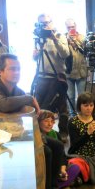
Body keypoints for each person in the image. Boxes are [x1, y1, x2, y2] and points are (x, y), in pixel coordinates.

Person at [32, 13, 70, 142]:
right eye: (42, 23)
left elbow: (65, 53)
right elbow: (37, 59)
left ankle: (63, 132)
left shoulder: (60, 36)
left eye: (47, 22)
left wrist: (53, 38)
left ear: (52, 22)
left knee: (62, 107)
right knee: (41, 106)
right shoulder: (38, 39)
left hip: (57, 77)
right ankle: (42, 133)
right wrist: (35, 55)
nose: (45, 26)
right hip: (42, 77)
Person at [37, 110, 76, 189]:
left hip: (56, 171)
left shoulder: (56, 134)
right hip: (45, 174)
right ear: (38, 121)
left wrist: (62, 169)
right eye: (46, 121)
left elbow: (63, 156)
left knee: (75, 167)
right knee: (50, 151)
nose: (50, 124)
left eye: (52, 121)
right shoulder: (37, 137)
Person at [68, 92, 95, 157]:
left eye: (91, 105)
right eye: (86, 105)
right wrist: (88, 133)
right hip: (78, 155)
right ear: (79, 106)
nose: (89, 108)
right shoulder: (72, 121)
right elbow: (74, 145)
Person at [65, 18, 87, 115]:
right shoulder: (63, 39)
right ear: (66, 28)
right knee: (70, 96)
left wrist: (75, 41)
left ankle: (81, 114)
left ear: (76, 26)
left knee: (82, 96)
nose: (71, 29)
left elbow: (85, 51)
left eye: (72, 27)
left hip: (81, 72)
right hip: (68, 72)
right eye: (69, 27)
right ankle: (72, 115)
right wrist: (67, 41)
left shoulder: (82, 37)